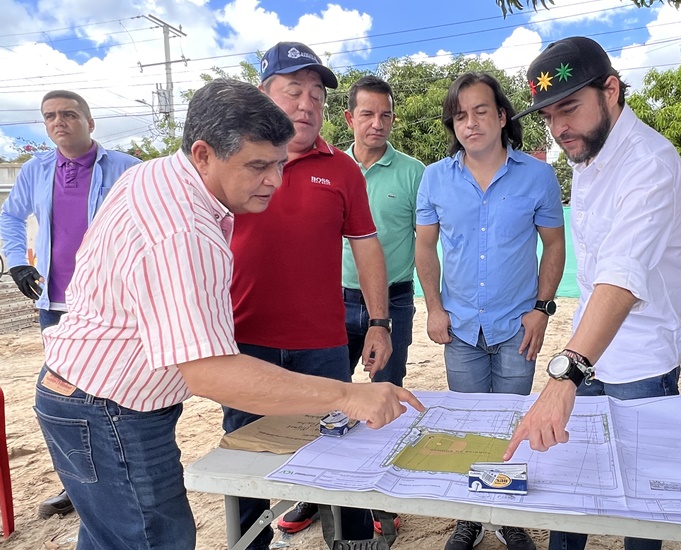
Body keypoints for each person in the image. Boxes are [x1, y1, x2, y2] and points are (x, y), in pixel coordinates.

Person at [33, 78, 423, 550]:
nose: (275, 182)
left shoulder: (152, 173)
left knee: (115, 537)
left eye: (279, 164)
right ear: (203, 153)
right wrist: (347, 395)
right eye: (258, 166)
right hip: (110, 410)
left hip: (86, 395)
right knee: (156, 539)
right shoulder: (186, 234)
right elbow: (210, 374)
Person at [504, 37, 681, 550]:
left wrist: (564, 375)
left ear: (611, 90)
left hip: (641, 361)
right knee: (569, 477)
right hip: (590, 350)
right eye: (548, 115)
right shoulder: (588, 153)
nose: (558, 127)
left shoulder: (649, 162)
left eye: (569, 108)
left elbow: (621, 277)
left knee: (641, 496)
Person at [225, 42, 391, 548]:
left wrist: (380, 322)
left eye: (316, 95)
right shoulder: (230, 162)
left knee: (342, 452)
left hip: (322, 344)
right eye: (293, 91)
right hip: (243, 342)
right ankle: (252, 543)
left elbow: (366, 247)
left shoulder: (341, 169)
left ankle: (355, 540)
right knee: (248, 457)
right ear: (263, 96)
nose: (305, 105)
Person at [416, 72, 566, 550]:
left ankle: (508, 516)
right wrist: (433, 309)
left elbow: (554, 244)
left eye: (481, 111)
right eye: (460, 115)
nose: (470, 123)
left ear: (502, 117)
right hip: (458, 328)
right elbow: (424, 248)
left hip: (516, 327)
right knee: (467, 424)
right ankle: (471, 518)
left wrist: (542, 309)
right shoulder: (435, 177)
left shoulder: (538, 175)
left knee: (512, 421)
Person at [0, 90, 140, 519]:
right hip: (56, 305)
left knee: (117, 390)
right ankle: (75, 485)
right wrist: (18, 262)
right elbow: (10, 216)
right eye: (50, 117)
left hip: (113, 306)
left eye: (69, 114)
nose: (59, 122)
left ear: (90, 122)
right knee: (64, 398)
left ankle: (128, 473)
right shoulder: (35, 171)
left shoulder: (127, 169)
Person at [343, 75, 426, 536]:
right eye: (368, 114)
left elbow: (427, 244)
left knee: (388, 392)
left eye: (386, 115)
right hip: (331, 297)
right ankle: (319, 495)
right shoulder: (330, 167)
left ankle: (381, 497)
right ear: (350, 117)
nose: (378, 124)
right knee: (328, 394)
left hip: (393, 300)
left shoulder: (414, 172)